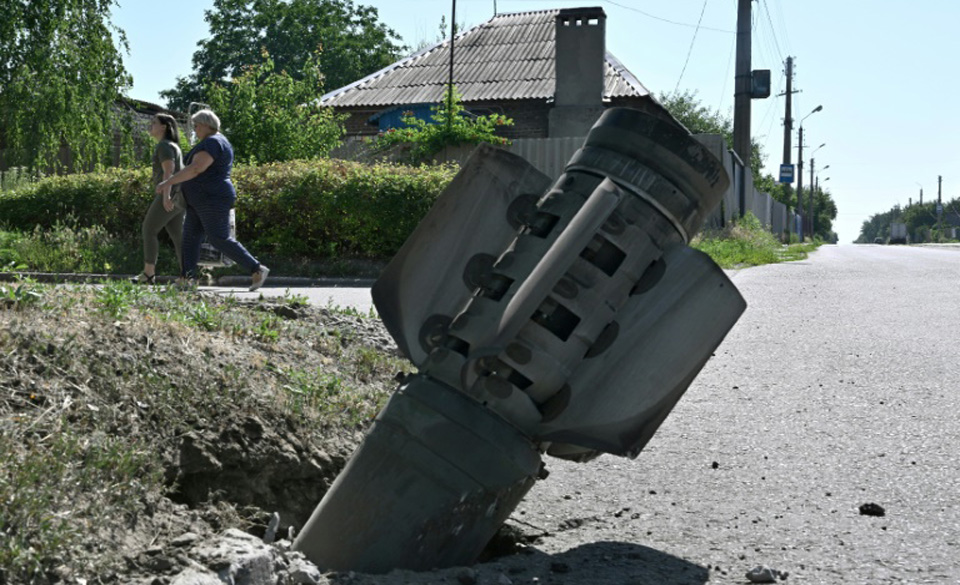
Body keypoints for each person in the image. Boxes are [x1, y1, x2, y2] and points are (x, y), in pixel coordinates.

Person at [155, 109, 269, 291]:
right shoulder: (212, 141)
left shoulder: (213, 142)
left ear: (208, 125)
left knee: (218, 238)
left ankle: (256, 269)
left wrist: (168, 182)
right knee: (190, 239)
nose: (195, 130)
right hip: (199, 200)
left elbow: (196, 168)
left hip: (211, 198)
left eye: (197, 125)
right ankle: (187, 278)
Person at [135, 113, 186, 284]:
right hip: (180, 195)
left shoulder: (164, 145)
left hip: (170, 194)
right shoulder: (173, 146)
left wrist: (166, 196)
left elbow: (169, 171)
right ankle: (188, 275)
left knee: (148, 229)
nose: (150, 125)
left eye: (154, 122)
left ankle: (148, 274)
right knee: (179, 237)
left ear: (164, 127)